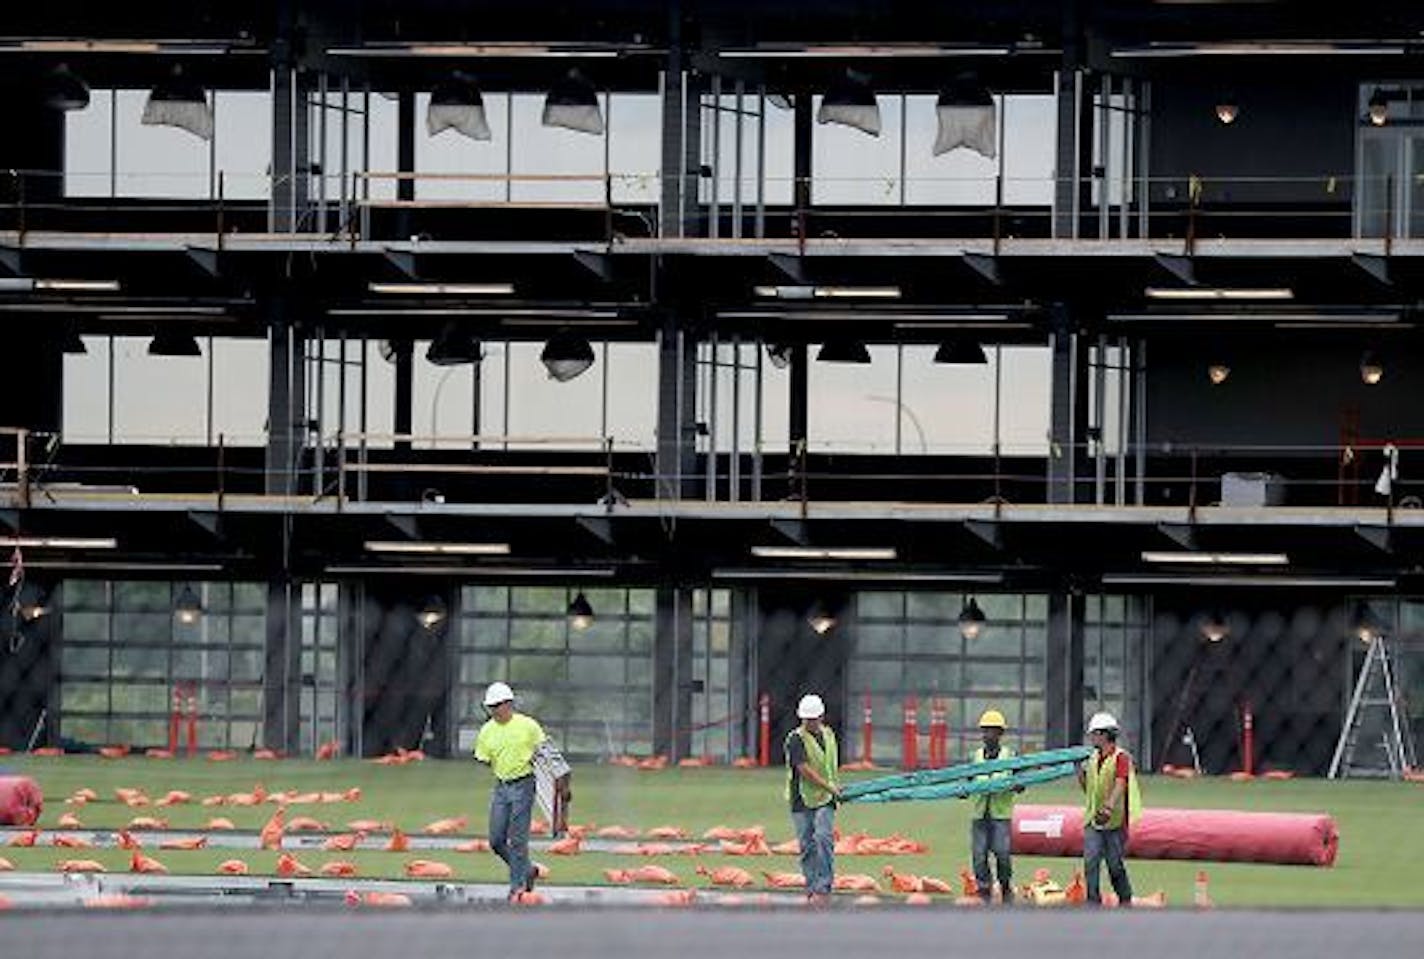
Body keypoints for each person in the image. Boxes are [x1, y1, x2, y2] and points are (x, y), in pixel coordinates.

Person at [473, 681, 546, 901]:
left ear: (509, 704)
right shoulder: (487, 730)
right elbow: (483, 758)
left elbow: (544, 752)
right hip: (501, 787)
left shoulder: (528, 726)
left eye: (498, 706)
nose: (494, 711)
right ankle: (527, 869)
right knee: (496, 840)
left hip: (524, 784)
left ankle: (517, 887)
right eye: (491, 707)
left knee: (517, 839)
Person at [1077, 711, 1141, 906]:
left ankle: (1125, 897)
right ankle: (1093, 901)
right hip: (1093, 820)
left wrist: (1109, 807)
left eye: (1094, 734)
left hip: (1115, 821)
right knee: (1091, 862)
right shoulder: (1092, 758)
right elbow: (1088, 788)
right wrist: (1079, 772)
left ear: (1104, 734)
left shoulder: (1121, 758)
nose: (1091, 738)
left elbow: (1121, 783)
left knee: (1114, 864)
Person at [784, 693, 841, 904]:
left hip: (826, 797)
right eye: (807, 719)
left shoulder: (829, 736)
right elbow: (804, 769)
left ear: (821, 717)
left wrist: (834, 786)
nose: (810, 722)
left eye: (814, 718)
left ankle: (823, 887)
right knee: (807, 844)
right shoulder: (795, 739)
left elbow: (830, 764)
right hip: (802, 798)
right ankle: (811, 885)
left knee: (824, 837)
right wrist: (830, 786)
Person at [968, 708, 1024, 904]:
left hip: (1001, 815)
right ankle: (984, 890)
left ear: (1000, 733)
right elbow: (966, 782)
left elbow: (1021, 783)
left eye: (991, 730)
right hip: (979, 815)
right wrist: (963, 790)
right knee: (978, 856)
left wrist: (1017, 785)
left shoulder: (1011, 756)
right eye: (984, 730)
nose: (987, 735)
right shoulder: (975, 757)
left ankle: (1005, 886)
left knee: (1002, 853)